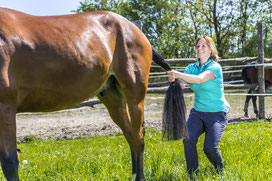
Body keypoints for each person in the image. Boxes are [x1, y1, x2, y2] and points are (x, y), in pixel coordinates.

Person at [167, 35, 229, 178]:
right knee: (188, 140)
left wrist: (178, 74)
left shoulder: (215, 67)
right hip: (198, 113)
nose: (199, 49)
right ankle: (193, 175)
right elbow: (183, 82)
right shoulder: (192, 67)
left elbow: (200, 80)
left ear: (211, 49)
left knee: (209, 148)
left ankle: (220, 171)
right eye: (197, 46)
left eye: (203, 46)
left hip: (217, 114)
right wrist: (174, 79)